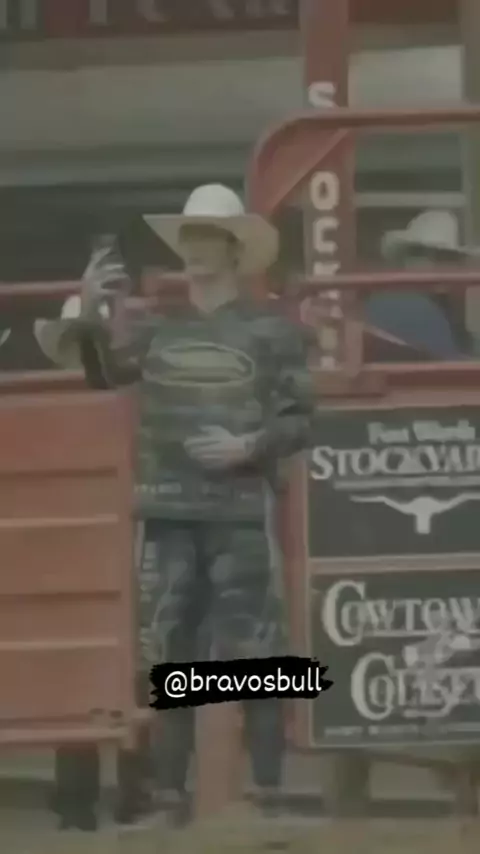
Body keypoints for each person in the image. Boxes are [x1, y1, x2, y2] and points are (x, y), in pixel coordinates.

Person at [35, 184, 315, 828]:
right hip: (168, 511)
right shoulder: (157, 327)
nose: (192, 249)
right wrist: (92, 309)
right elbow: (102, 375)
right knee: (171, 655)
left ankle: (266, 793)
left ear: (232, 248)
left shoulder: (273, 331)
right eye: (187, 237)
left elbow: (301, 417)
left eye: (204, 237)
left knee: (256, 653)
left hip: (239, 508)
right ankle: (171, 797)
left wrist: (249, 444)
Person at [365, 209, 474, 358]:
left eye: (450, 258)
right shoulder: (408, 305)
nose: (441, 266)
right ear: (406, 259)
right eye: (421, 254)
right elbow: (449, 364)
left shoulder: (439, 306)